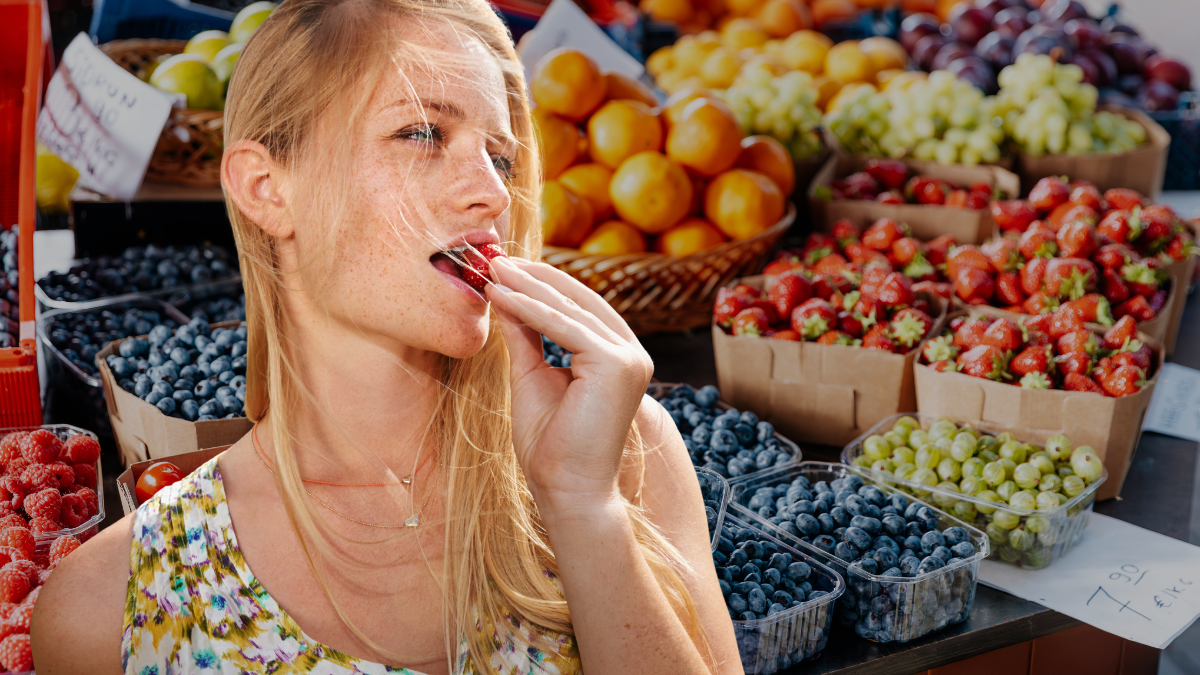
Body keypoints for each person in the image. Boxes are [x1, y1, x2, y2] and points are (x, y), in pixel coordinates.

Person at [31, 0, 741, 673]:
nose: (493, 192)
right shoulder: (107, 607)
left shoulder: (624, 454)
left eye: (501, 156)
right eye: (422, 133)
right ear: (268, 188)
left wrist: (585, 506)